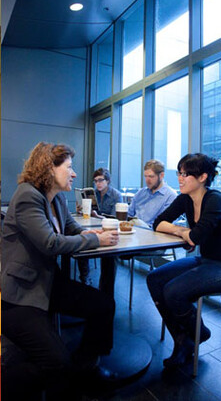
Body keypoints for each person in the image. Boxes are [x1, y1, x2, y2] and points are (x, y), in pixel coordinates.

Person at [1, 142, 120, 401]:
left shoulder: (55, 198)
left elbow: (69, 228)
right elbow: (50, 243)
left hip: (46, 283)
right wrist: (96, 240)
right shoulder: (27, 195)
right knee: (56, 363)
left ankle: (87, 366)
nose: (74, 173)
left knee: (103, 304)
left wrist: (90, 233)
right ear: (49, 168)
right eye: (69, 167)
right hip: (19, 294)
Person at [147, 153, 221, 369]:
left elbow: (195, 238)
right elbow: (158, 223)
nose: (180, 179)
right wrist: (183, 230)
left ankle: (196, 334)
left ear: (203, 177)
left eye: (186, 174)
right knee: (155, 279)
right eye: (179, 173)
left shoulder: (215, 199)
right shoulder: (186, 198)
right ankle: (184, 339)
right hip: (208, 260)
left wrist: (188, 233)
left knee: (173, 292)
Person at [78, 168, 122, 293]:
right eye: (96, 181)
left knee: (110, 253)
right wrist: (83, 210)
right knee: (83, 239)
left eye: (101, 180)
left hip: (109, 228)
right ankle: (84, 278)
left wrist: (98, 216)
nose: (98, 183)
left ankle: (105, 290)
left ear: (107, 180)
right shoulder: (93, 194)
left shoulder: (116, 195)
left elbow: (115, 219)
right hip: (94, 226)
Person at [128, 159, 177, 227]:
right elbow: (129, 214)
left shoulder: (170, 196)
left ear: (161, 175)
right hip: (134, 230)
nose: (147, 180)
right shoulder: (141, 193)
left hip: (154, 233)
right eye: (145, 176)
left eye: (151, 176)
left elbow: (164, 224)